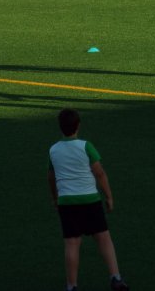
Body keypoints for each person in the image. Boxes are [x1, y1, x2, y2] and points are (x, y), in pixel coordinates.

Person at [47, 108, 129, 291]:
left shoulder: (53, 150)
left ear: (60, 127)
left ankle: (72, 286)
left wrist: (55, 198)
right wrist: (109, 196)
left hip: (67, 202)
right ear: (78, 126)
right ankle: (115, 278)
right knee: (103, 238)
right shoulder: (86, 146)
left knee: (72, 243)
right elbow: (99, 173)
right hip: (90, 200)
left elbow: (51, 177)